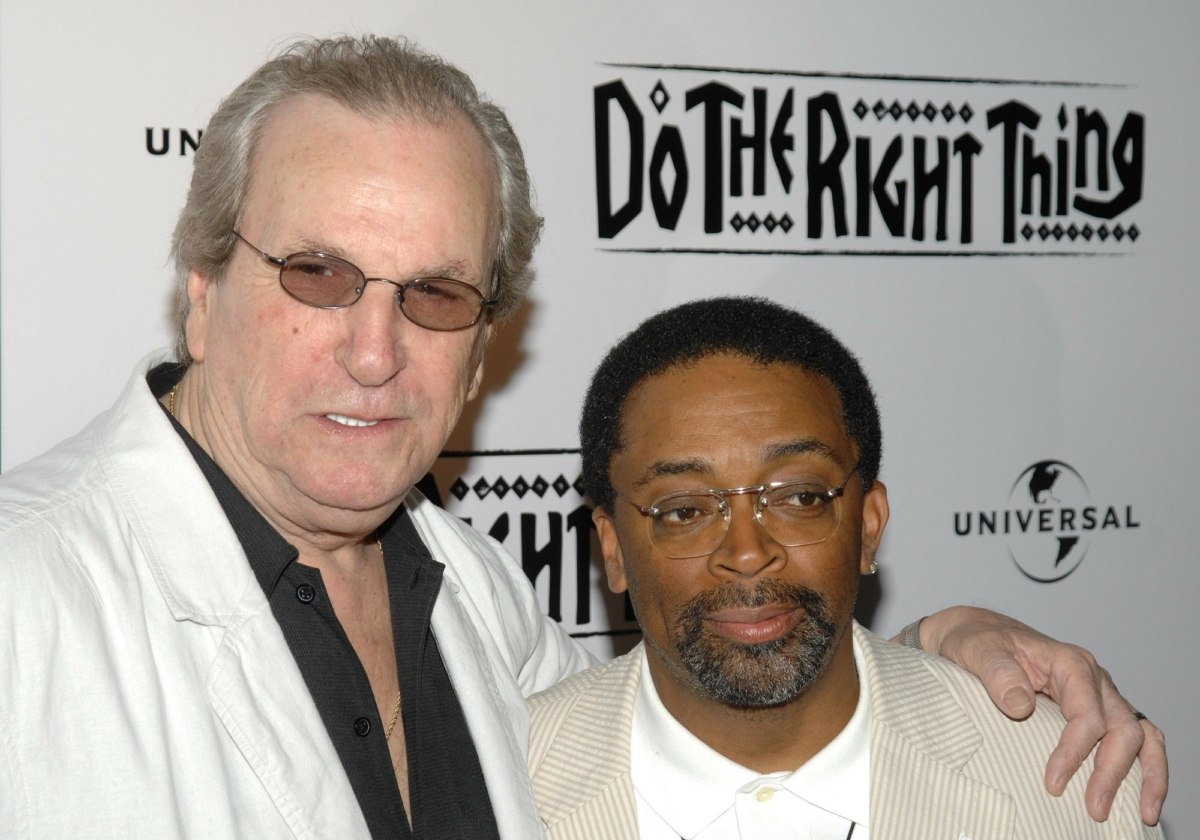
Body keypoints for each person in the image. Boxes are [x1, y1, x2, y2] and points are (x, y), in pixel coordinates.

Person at [0, 38, 1163, 840]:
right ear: (203, 287)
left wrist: (935, 656)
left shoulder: (474, 596)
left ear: (483, 348)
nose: (373, 349)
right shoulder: (26, 599)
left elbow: (699, 715)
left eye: (437, 294)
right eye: (319, 274)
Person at [526, 297, 1163, 839]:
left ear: (868, 524)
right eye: (685, 509)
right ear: (611, 548)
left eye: (799, 497)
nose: (747, 553)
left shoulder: (1072, 787)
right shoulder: (501, 789)